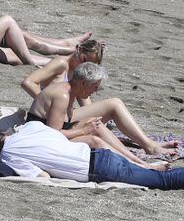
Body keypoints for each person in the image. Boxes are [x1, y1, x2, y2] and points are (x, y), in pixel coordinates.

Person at [0, 121, 184, 194]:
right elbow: (59, 137)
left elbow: (41, 176)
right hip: (97, 153)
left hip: (96, 170)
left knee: (166, 181)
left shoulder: (11, 154)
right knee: (160, 176)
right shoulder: (30, 128)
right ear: (4, 134)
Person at [22, 51, 176, 157]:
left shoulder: (74, 86)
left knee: (113, 104)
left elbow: (86, 105)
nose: (95, 91)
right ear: (83, 83)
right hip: (47, 130)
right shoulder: (62, 83)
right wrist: (83, 129)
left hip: (63, 118)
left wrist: (89, 123)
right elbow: (53, 133)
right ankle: (138, 162)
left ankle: (147, 148)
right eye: (94, 87)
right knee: (95, 135)